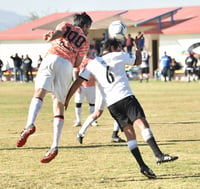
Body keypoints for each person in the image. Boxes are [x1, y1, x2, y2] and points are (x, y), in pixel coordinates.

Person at [65, 38, 178, 179]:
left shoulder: (92, 64)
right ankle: (158, 155)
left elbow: (78, 81)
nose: (120, 49)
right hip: (125, 96)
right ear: (113, 47)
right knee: (142, 124)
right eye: (118, 47)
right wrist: (137, 48)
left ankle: (142, 165)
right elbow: (137, 62)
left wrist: (67, 98)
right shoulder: (118, 55)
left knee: (129, 133)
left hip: (112, 104)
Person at [16, 12, 93, 163]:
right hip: (67, 65)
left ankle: (29, 125)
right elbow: (77, 63)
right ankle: (54, 145)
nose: (88, 30)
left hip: (51, 57)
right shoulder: (85, 40)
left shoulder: (66, 24)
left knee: (39, 93)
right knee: (58, 104)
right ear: (84, 26)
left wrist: (51, 37)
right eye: (89, 27)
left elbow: (59, 33)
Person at [73, 50, 97, 127]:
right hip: (81, 85)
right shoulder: (79, 61)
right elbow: (75, 73)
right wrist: (77, 85)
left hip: (91, 85)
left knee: (92, 103)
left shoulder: (92, 61)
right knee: (78, 102)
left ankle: (92, 121)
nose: (87, 52)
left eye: (87, 51)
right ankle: (78, 120)